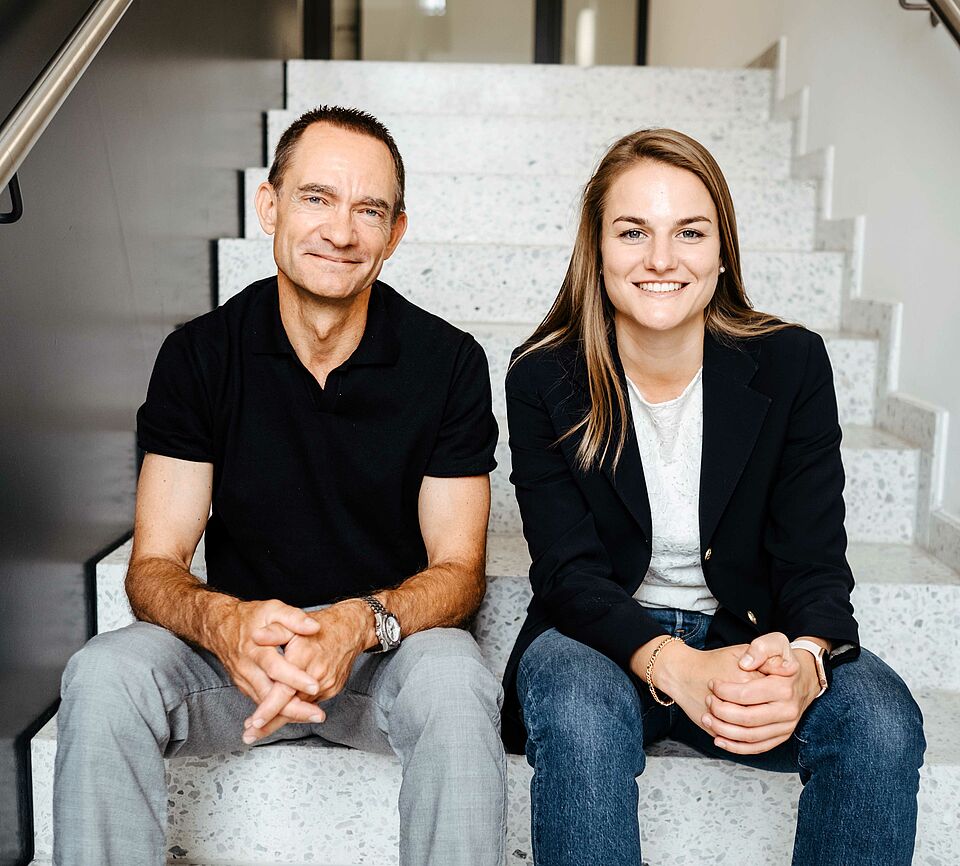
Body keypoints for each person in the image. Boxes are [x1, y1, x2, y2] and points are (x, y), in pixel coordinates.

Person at [53, 106, 507, 866]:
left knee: (458, 681)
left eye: (370, 209)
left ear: (395, 234)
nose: (342, 230)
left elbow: (459, 573)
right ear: (270, 206)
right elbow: (154, 567)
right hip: (238, 655)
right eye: (317, 198)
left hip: (380, 652)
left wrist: (357, 625)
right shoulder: (198, 356)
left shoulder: (449, 362)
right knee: (103, 674)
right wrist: (224, 626)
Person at [502, 127, 925, 865]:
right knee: (576, 711)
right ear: (596, 251)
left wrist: (806, 661)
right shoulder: (545, 375)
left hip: (747, 638)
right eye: (633, 232)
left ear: (721, 249)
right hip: (600, 641)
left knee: (881, 722)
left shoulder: (792, 363)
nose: (662, 259)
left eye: (689, 232)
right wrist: (674, 666)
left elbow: (816, 563)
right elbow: (569, 576)